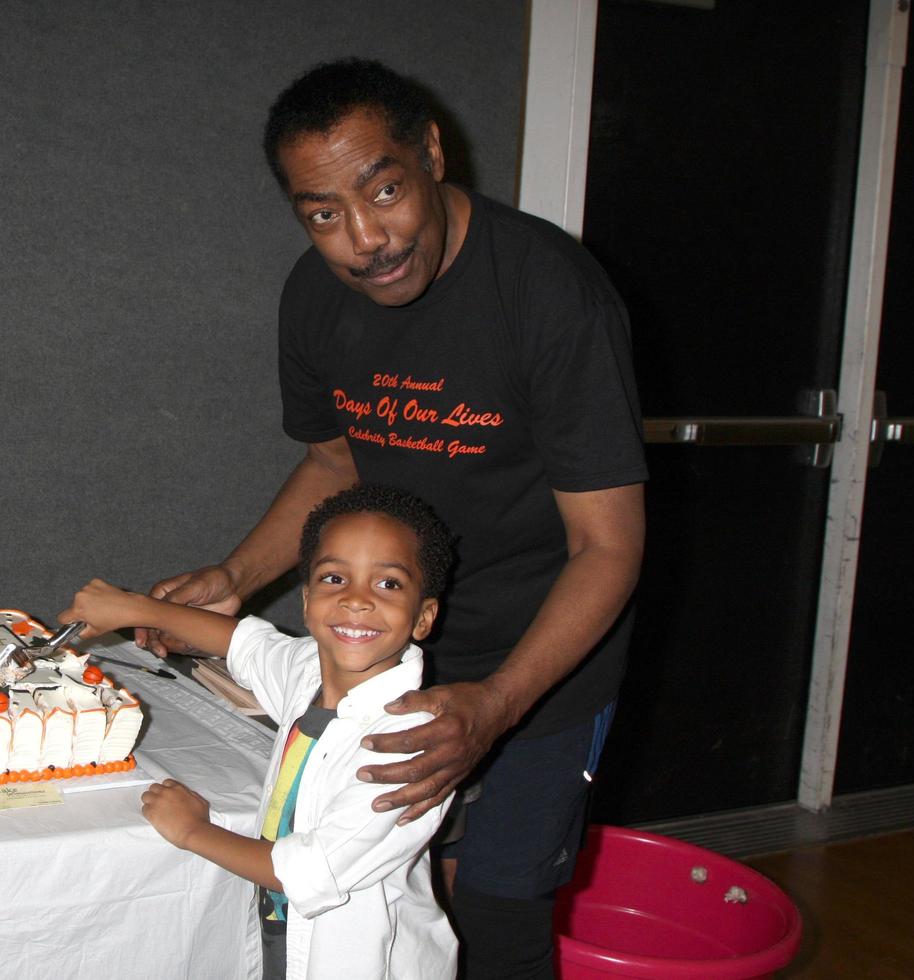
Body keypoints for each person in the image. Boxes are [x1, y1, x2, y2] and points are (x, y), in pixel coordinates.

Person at [135, 59, 648, 978]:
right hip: (385, 656)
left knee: (495, 907)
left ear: (432, 155)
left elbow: (608, 545)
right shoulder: (313, 296)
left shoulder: (551, 297)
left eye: (383, 191)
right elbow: (336, 457)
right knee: (406, 898)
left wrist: (492, 706)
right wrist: (238, 578)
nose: (365, 240)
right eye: (323, 213)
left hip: (541, 663)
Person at [61, 484, 460, 980]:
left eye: (388, 585)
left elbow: (310, 871)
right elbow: (244, 643)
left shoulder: (409, 745)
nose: (356, 601)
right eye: (336, 578)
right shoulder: (311, 670)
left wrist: (194, 832)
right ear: (308, 599)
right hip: (284, 931)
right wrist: (137, 609)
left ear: (424, 618)